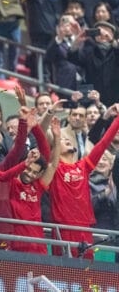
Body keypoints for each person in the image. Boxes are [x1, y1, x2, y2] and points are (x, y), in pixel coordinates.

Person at [49, 103, 119, 258]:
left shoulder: (83, 166)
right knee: (64, 272)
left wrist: (117, 120)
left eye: (68, 140)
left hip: (85, 227)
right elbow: (41, 143)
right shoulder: (53, 169)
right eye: (63, 140)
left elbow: (102, 144)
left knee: (88, 273)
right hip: (63, 226)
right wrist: (56, 135)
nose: (67, 140)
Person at [10, 117, 61, 255]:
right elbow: (14, 154)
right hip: (17, 246)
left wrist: (57, 138)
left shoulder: (37, 187)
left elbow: (53, 165)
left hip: (39, 246)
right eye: (29, 169)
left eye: (35, 173)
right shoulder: (11, 183)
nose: (31, 174)